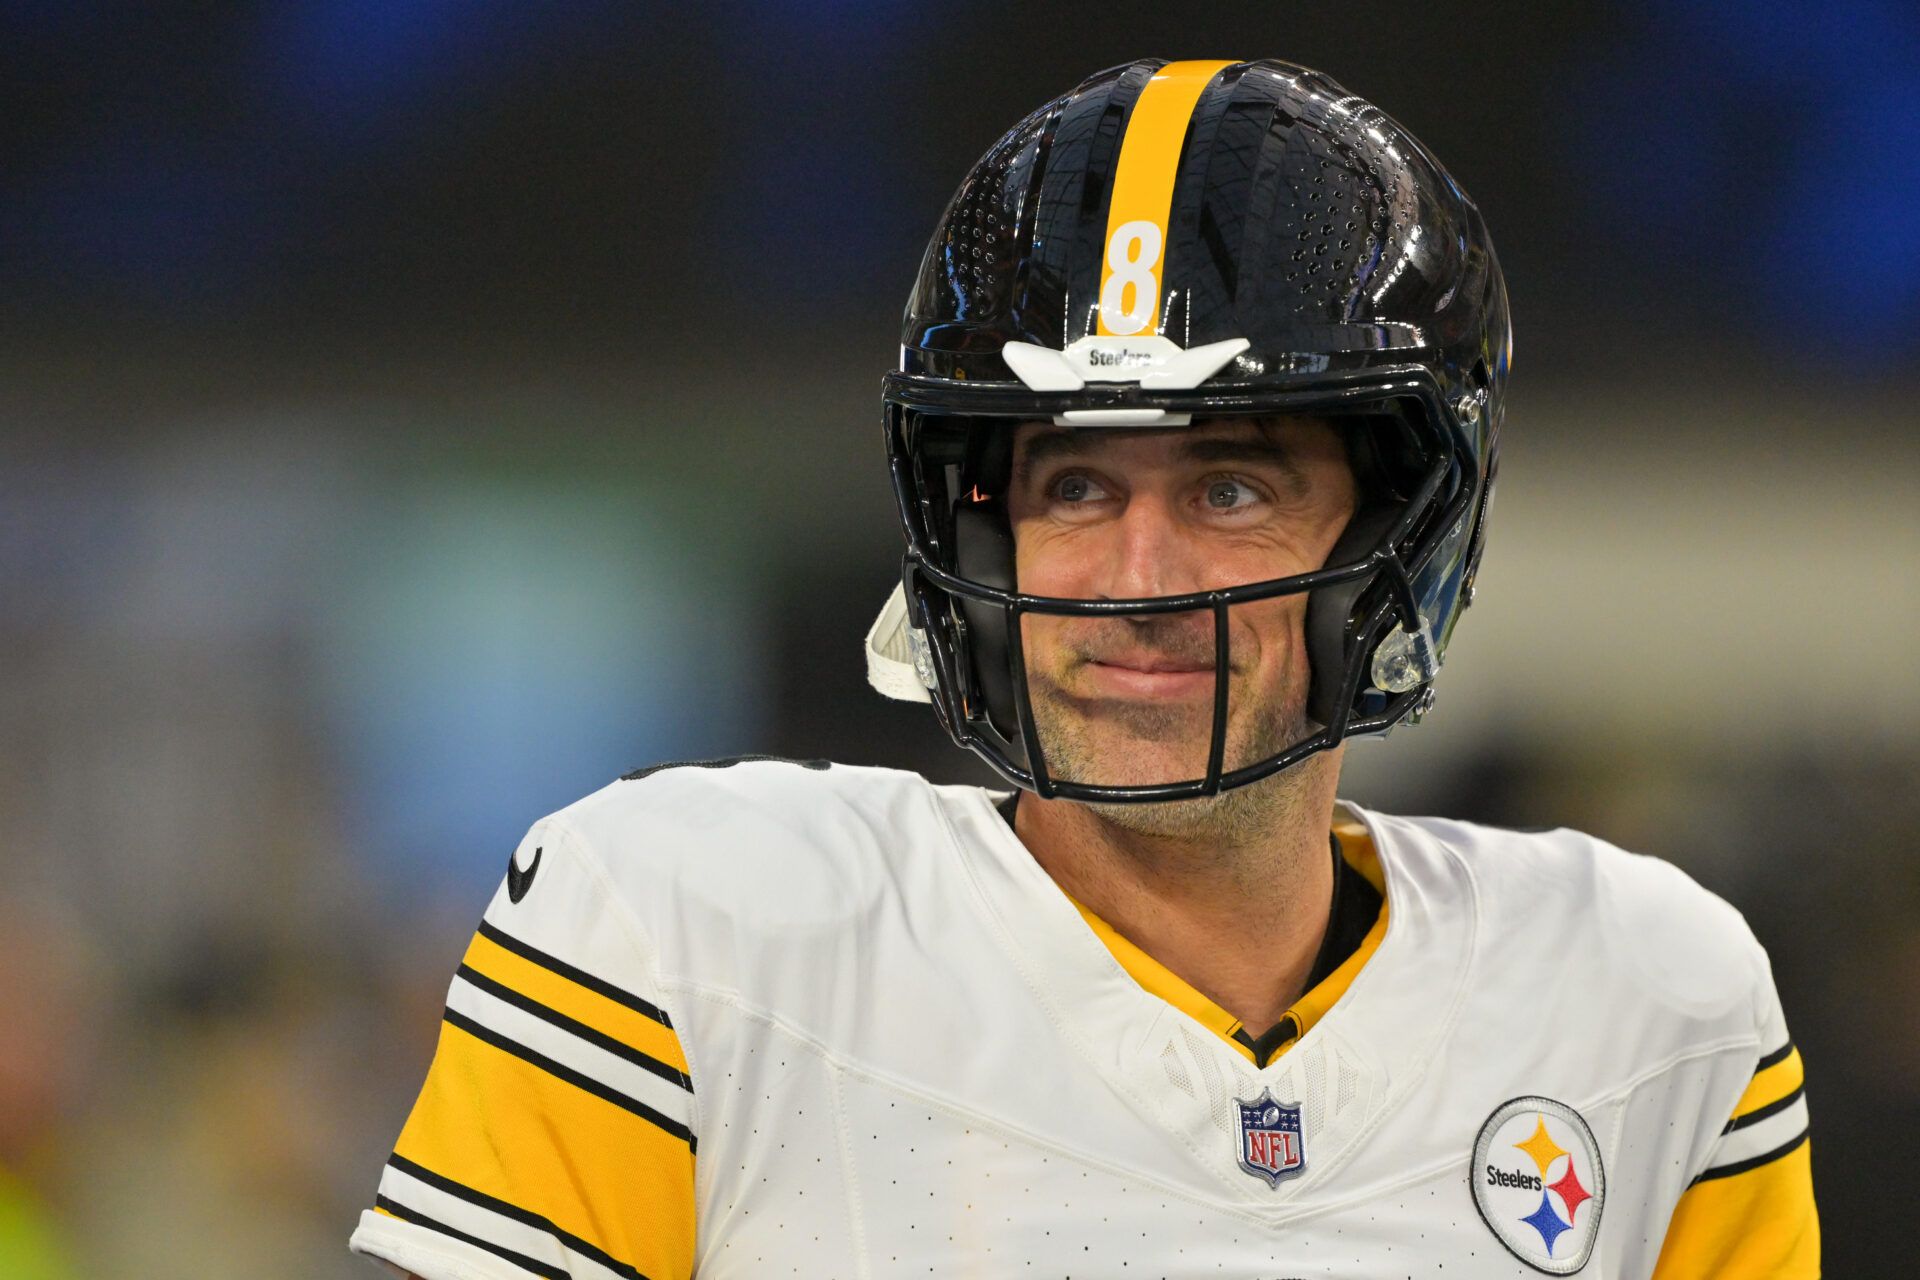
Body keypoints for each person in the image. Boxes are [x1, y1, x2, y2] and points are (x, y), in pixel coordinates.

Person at [350, 58, 1818, 1278]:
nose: (1135, 582)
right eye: (1073, 490)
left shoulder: (1647, 1002)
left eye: (1230, 489)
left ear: (1395, 533)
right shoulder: (690, 926)